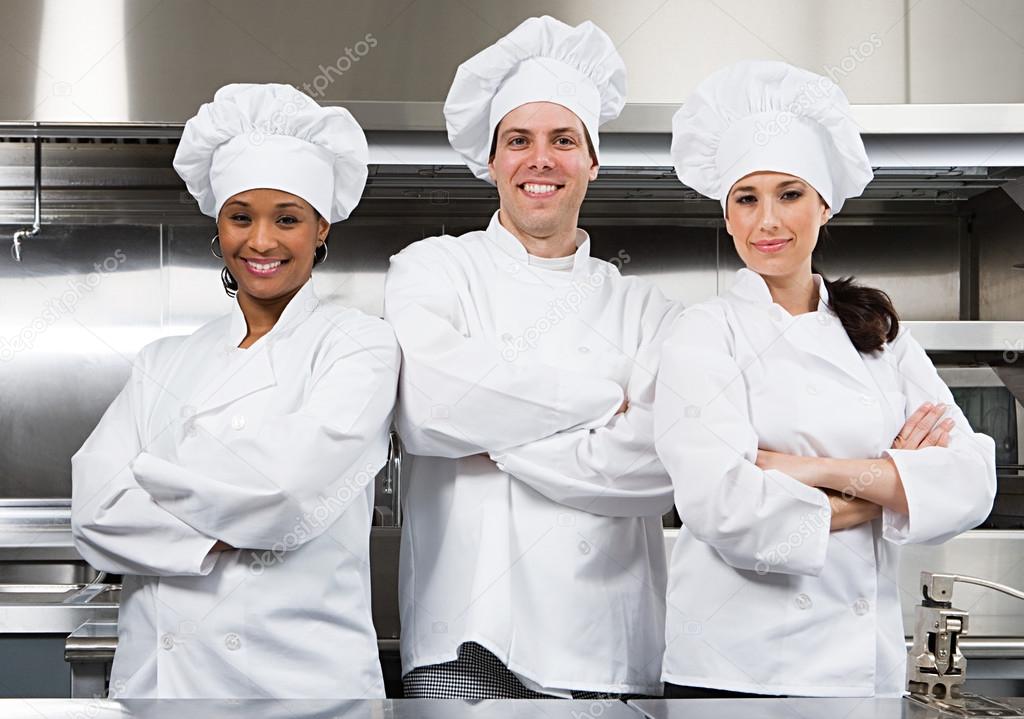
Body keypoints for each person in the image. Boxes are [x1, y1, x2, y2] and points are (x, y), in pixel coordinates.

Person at [653, 60, 997, 698]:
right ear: (727, 217)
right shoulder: (703, 332)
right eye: (746, 200)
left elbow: (973, 478)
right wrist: (891, 488)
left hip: (863, 672)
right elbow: (723, 508)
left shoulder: (877, 332)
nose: (768, 222)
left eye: (789, 195)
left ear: (824, 205)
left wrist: (808, 470)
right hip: (736, 673)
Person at [385, 15, 681, 699]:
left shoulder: (648, 309)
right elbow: (430, 407)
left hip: (606, 649)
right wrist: (606, 399)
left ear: (593, 161)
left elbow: (660, 464)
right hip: (461, 639)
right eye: (518, 140)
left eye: (563, 140)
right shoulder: (435, 269)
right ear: (491, 161)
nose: (539, 159)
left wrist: (493, 440)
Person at [71, 83, 398, 698]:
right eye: (241, 216)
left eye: (288, 218)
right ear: (219, 223)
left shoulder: (359, 346)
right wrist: (228, 523)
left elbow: (284, 495)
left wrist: (149, 479)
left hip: (300, 690)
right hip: (161, 688)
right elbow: (92, 516)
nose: (262, 242)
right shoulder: (163, 360)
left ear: (321, 228)